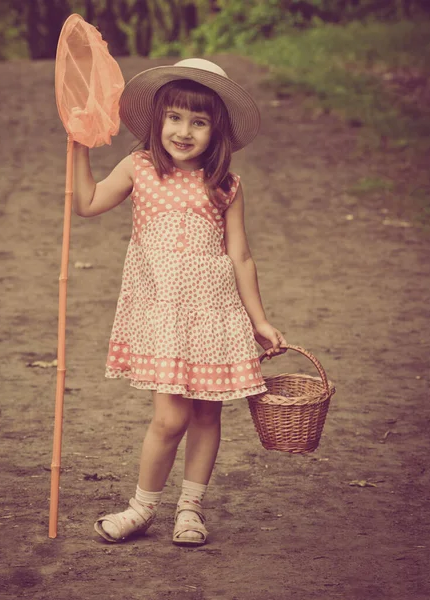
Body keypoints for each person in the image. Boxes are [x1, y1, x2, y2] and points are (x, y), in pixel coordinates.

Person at [71, 58, 287, 547]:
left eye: (199, 121)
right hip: (163, 314)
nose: (183, 131)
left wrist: (260, 321)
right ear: (157, 119)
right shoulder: (140, 168)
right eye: (174, 117)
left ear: (218, 130)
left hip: (215, 313)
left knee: (207, 414)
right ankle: (142, 508)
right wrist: (79, 149)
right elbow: (87, 203)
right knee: (170, 418)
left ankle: (190, 509)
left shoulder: (226, 184)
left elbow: (241, 256)